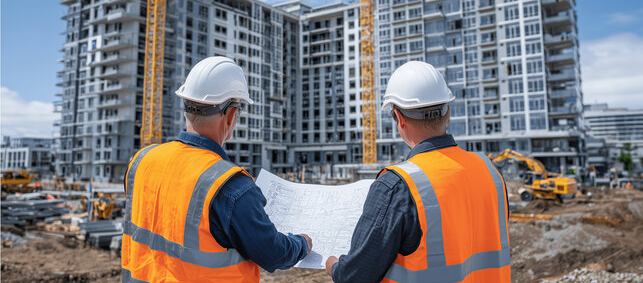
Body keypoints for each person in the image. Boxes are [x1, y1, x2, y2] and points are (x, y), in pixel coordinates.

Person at [122, 56, 312, 282]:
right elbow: (274, 253)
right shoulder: (231, 186)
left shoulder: (141, 161)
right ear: (231, 116)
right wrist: (302, 243)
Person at [325, 61, 510, 283]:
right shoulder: (490, 171)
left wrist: (335, 267)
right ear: (448, 112)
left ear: (399, 119)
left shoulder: (397, 186)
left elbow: (353, 277)